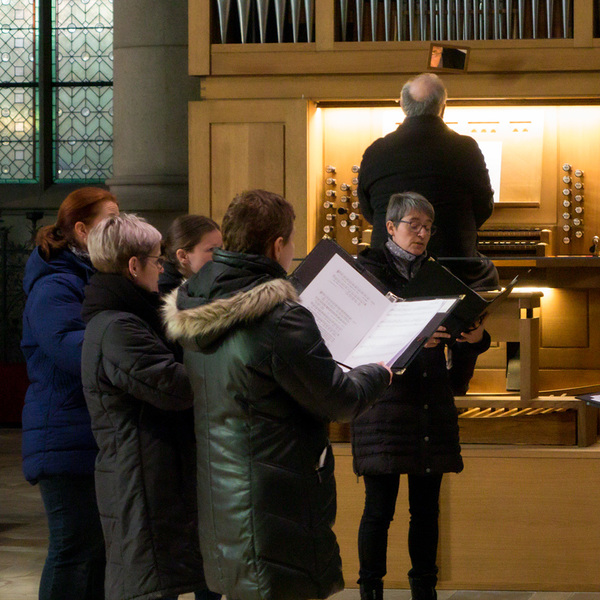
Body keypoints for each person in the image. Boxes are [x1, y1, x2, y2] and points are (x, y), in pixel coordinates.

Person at [162, 189, 393, 600]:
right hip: (275, 501)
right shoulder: (280, 318)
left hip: (224, 495)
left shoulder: (197, 301)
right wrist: (377, 373)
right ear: (278, 245)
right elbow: (339, 400)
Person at [352, 192, 491, 600]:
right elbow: (359, 342)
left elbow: (455, 342)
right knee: (378, 511)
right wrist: (415, 338)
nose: (422, 233)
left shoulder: (438, 277)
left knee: (426, 512)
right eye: (413, 224)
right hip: (383, 407)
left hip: (431, 404)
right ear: (390, 228)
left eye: (428, 227)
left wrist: (475, 338)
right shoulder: (365, 275)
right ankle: (370, 590)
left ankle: (424, 590)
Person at [82, 214, 209, 600]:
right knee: (145, 587)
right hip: (137, 480)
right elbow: (177, 389)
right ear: (134, 266)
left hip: (150, 474)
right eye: (157, 259)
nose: (162, 267)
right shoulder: (118, 327)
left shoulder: (130, 317)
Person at [21, 187, 119, 600]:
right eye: (109, 218)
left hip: (88, 432)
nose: (119, 225)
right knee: (73, 548)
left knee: (97, 551)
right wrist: (127, 345)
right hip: (62, 431)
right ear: (81, 229)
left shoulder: (94, 277)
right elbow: (70, 350)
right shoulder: (54, 285)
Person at [357, 72, 497, 290]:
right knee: (487, 272)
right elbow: (484, 208)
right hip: (453, 271)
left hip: (388, 273)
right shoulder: (465, 149)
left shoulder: (376, 151)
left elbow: (368, 212)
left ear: (403, 105)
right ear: (443, 107)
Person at [159, 214, 222, 295]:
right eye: (211, 249)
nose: (220, 255)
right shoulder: (163, 291)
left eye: (220, 248)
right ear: (183, 256)